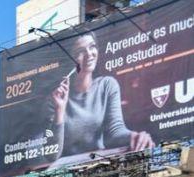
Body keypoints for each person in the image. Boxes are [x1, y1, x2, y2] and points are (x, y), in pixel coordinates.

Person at [46, 32, 154, 163]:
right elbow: (51, 155)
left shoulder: (107, 85)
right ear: (71, 60)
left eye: (92, 46)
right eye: (81, 51)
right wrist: (59, 110)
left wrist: (134, 136)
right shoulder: (55, 98)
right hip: (66, 174)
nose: (89, 54)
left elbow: (115, 132)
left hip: (100, 166)